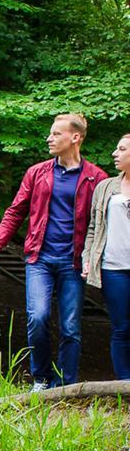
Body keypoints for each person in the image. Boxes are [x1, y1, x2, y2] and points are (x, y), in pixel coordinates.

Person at [0, 113, 108, 390]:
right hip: (39, 258)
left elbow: (103, 224)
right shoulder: (37, 173)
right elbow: (15, 212)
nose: (49, 138)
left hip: (74, 262)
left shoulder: (96, 178)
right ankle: (40, 378)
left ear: (75, 138)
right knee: (37, 317)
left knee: (70, 327)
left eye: (56, 134)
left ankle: (66, 384)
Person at [82, 134, 130, 379]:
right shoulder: (105, 187)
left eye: (121, 149)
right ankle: (125, 384)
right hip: (114, 268)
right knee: (121, 328)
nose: (115, 153)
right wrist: (88, 258)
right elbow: (94, 227)